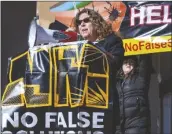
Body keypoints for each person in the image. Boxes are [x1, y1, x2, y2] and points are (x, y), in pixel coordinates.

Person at [73, 8, 125, 133]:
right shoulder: (76, 47)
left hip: (103, 107)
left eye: (86, 20)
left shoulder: (113, 41)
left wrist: (92, 48)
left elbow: (114, 63)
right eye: (79, 23)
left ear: (96, 23)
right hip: (79, 109)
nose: (82, 24)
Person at [116, 55, 152, 134]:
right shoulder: (117, 82)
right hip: (121, 128)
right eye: (125, 62)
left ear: (135, 65)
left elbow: (145, 61)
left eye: (131, 62)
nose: (128, 64)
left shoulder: (140, 78)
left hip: (138, 127)